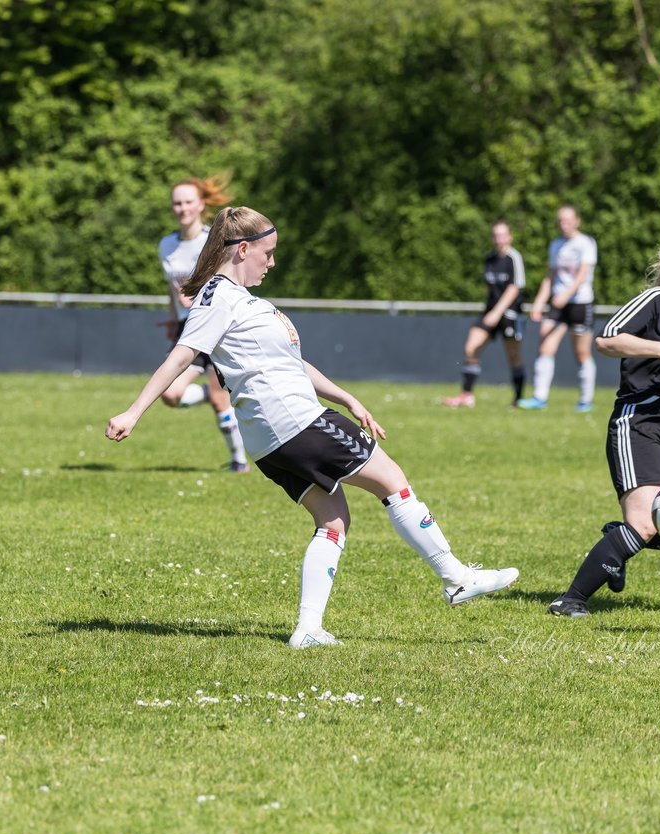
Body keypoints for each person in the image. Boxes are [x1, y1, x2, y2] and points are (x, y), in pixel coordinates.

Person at [109, 206, 519, 648]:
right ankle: (455, 576)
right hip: (296, 422)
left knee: (334, 521)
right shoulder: (220, 297)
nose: (272, 262)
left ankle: (308, 629)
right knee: (394, 482)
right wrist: (134, 411)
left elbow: (291, 363)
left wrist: (345, 397)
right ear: (242, 249)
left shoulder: (240, 301)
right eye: (268, 253)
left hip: (270, 440)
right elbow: (182, 355)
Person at [548, 227, 660, 618]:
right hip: (639, 425)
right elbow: (606, 340)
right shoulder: (656, 301)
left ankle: (620, 538)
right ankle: (571, 599)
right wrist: (659, 348)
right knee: (645, 524)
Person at [156, 176, 248, 473]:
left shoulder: (213, 239)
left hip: (216, 324)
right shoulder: (166, 245)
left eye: (187, 202)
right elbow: (173, 288)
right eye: (177, 202)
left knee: (222, 404)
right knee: (170, 394)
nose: (182, 208)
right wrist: (173, 316)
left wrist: (197, 294)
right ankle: (213, 393)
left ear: (201, 205)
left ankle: (239, 462)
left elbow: (229, 281)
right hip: (187, 327)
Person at [517, 205, 598, 412]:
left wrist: (566, 294)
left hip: (580, 303)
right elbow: (550, 277)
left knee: (581, 352)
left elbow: (582, 274)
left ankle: (585, 401)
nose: (564, 225)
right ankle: (539, 398)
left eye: (568, 220)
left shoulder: (585, 243)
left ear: (577, 221)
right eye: (561, 221)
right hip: (558, 306)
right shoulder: (556, 245)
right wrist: (539, 302)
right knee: (544, 346)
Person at [444, 220, 527, 408]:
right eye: (496, 235)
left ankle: (518, 399)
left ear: (510, 236)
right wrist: (490, 311)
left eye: (503, 235)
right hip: (490, 312)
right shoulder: (489, 259)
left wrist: (497, 313)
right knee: (471, 347)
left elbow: (514, 288)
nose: (499, 239)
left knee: (513, 356)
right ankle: (467, 395)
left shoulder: (514, 258)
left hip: (509, 314)